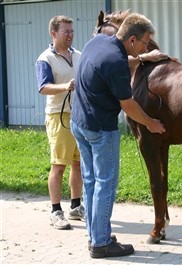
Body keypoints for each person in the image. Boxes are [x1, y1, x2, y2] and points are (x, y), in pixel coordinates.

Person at [71, 13, 166, 258]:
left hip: (79, 123)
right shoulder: (115, 60)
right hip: (100, 129)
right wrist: (151, 123)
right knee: (106, 184)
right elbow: (128, 105)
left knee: (91, 182)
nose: (147, 47)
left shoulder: (98, 42)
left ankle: (95, 234)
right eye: (145, 43)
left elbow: (114, 63)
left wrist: (142, 57)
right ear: (132, 39)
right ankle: (101, 244)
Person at [35, 15, 85, 230]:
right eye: (66, 32)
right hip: (59, 117)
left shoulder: (79, 55)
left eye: (72, 31)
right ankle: (56, 211)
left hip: (79, 116)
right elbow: (43, 87)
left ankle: (76, 206)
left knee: (78, 164)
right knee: (59, 166)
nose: (70, 35)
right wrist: (65, 87)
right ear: (53, 34)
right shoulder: (45, 59)